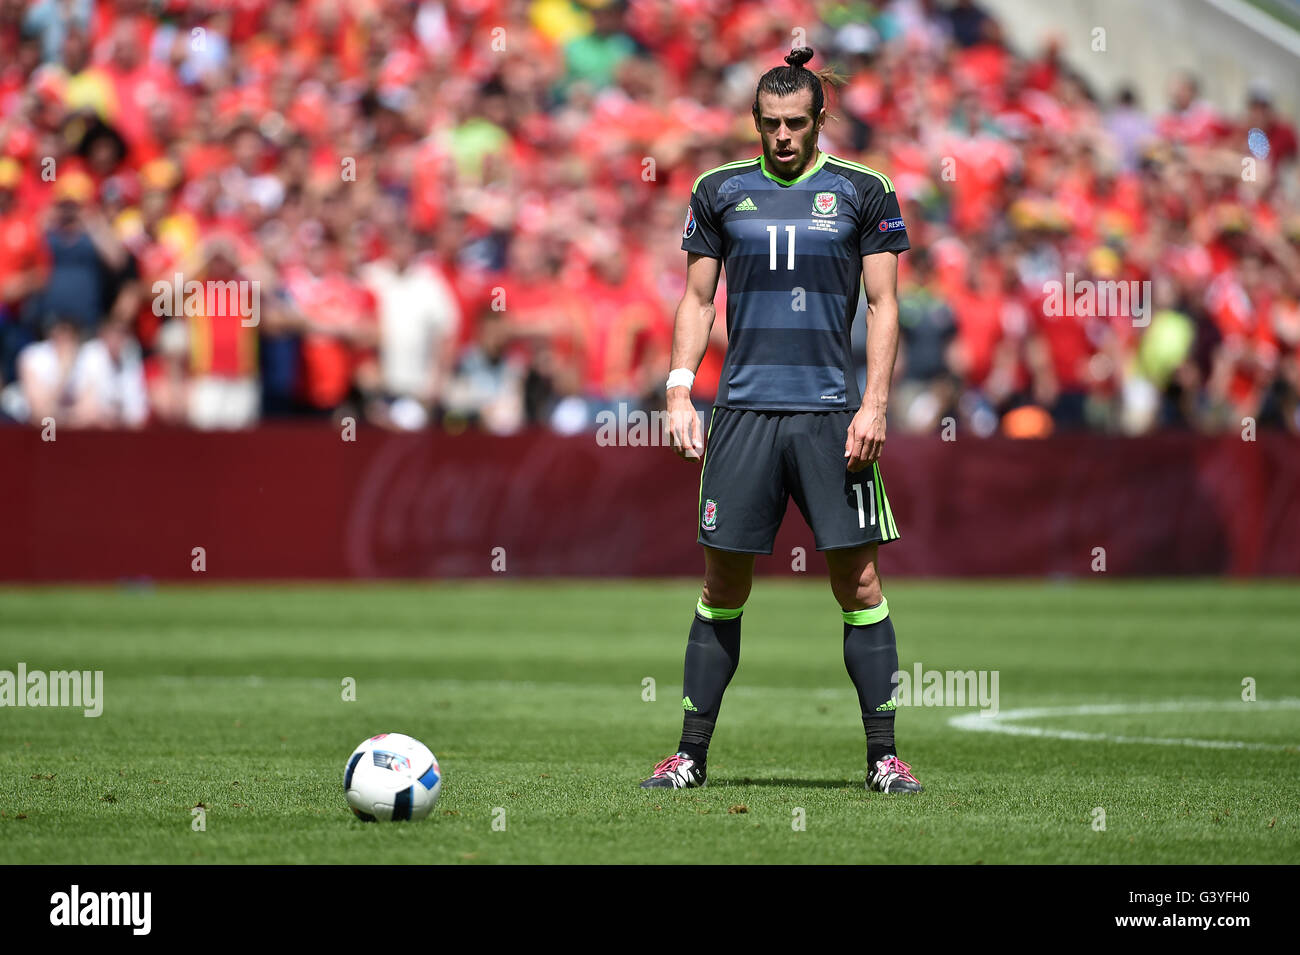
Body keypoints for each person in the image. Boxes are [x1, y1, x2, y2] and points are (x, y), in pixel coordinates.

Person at [642, 48, 921, 794]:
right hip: (741, 415)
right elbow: (698, 301)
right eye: (770, 124)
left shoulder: (865, 190)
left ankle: (883, 759)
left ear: (819, 120)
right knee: (722, 583)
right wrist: (678, 390)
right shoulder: (719, 190)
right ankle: (689, 757)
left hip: (832, 414)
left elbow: (886, 304)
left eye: (797, 123)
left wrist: (875, 403)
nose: (784, 137)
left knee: (859, 584)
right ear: (754, 123)